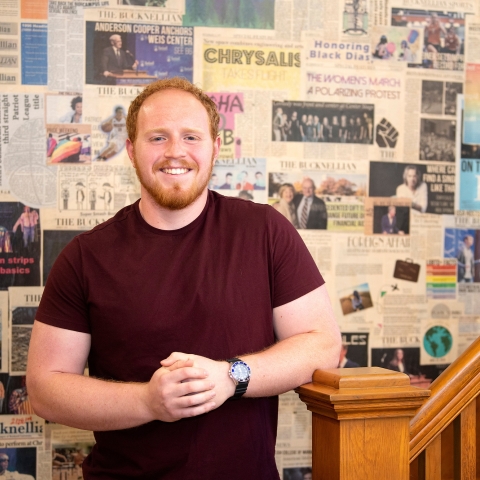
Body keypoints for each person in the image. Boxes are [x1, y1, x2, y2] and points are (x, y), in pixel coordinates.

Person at [27, 77, 341, 480]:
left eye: (191, 136)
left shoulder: (265, 231)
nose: (175, 152)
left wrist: (231, 377)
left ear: (215, 147)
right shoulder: (85, 257)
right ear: (131, 150)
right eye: (157, 137)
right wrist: (147, 401)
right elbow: (45, 389)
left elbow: (323, 345)